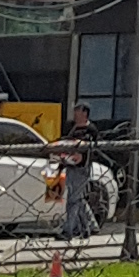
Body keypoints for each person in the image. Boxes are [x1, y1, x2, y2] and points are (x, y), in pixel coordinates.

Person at [58, 101, 99, 250]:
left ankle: (68, 230)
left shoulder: (91, 130)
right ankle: (89, 227)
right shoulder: (72, 128)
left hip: (82, 168)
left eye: (77, 111)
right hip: (70, 166)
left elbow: (92, 149)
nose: (75, 114)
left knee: (73, 200)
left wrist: (81, 155)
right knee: (77, 198)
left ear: (84, 113)